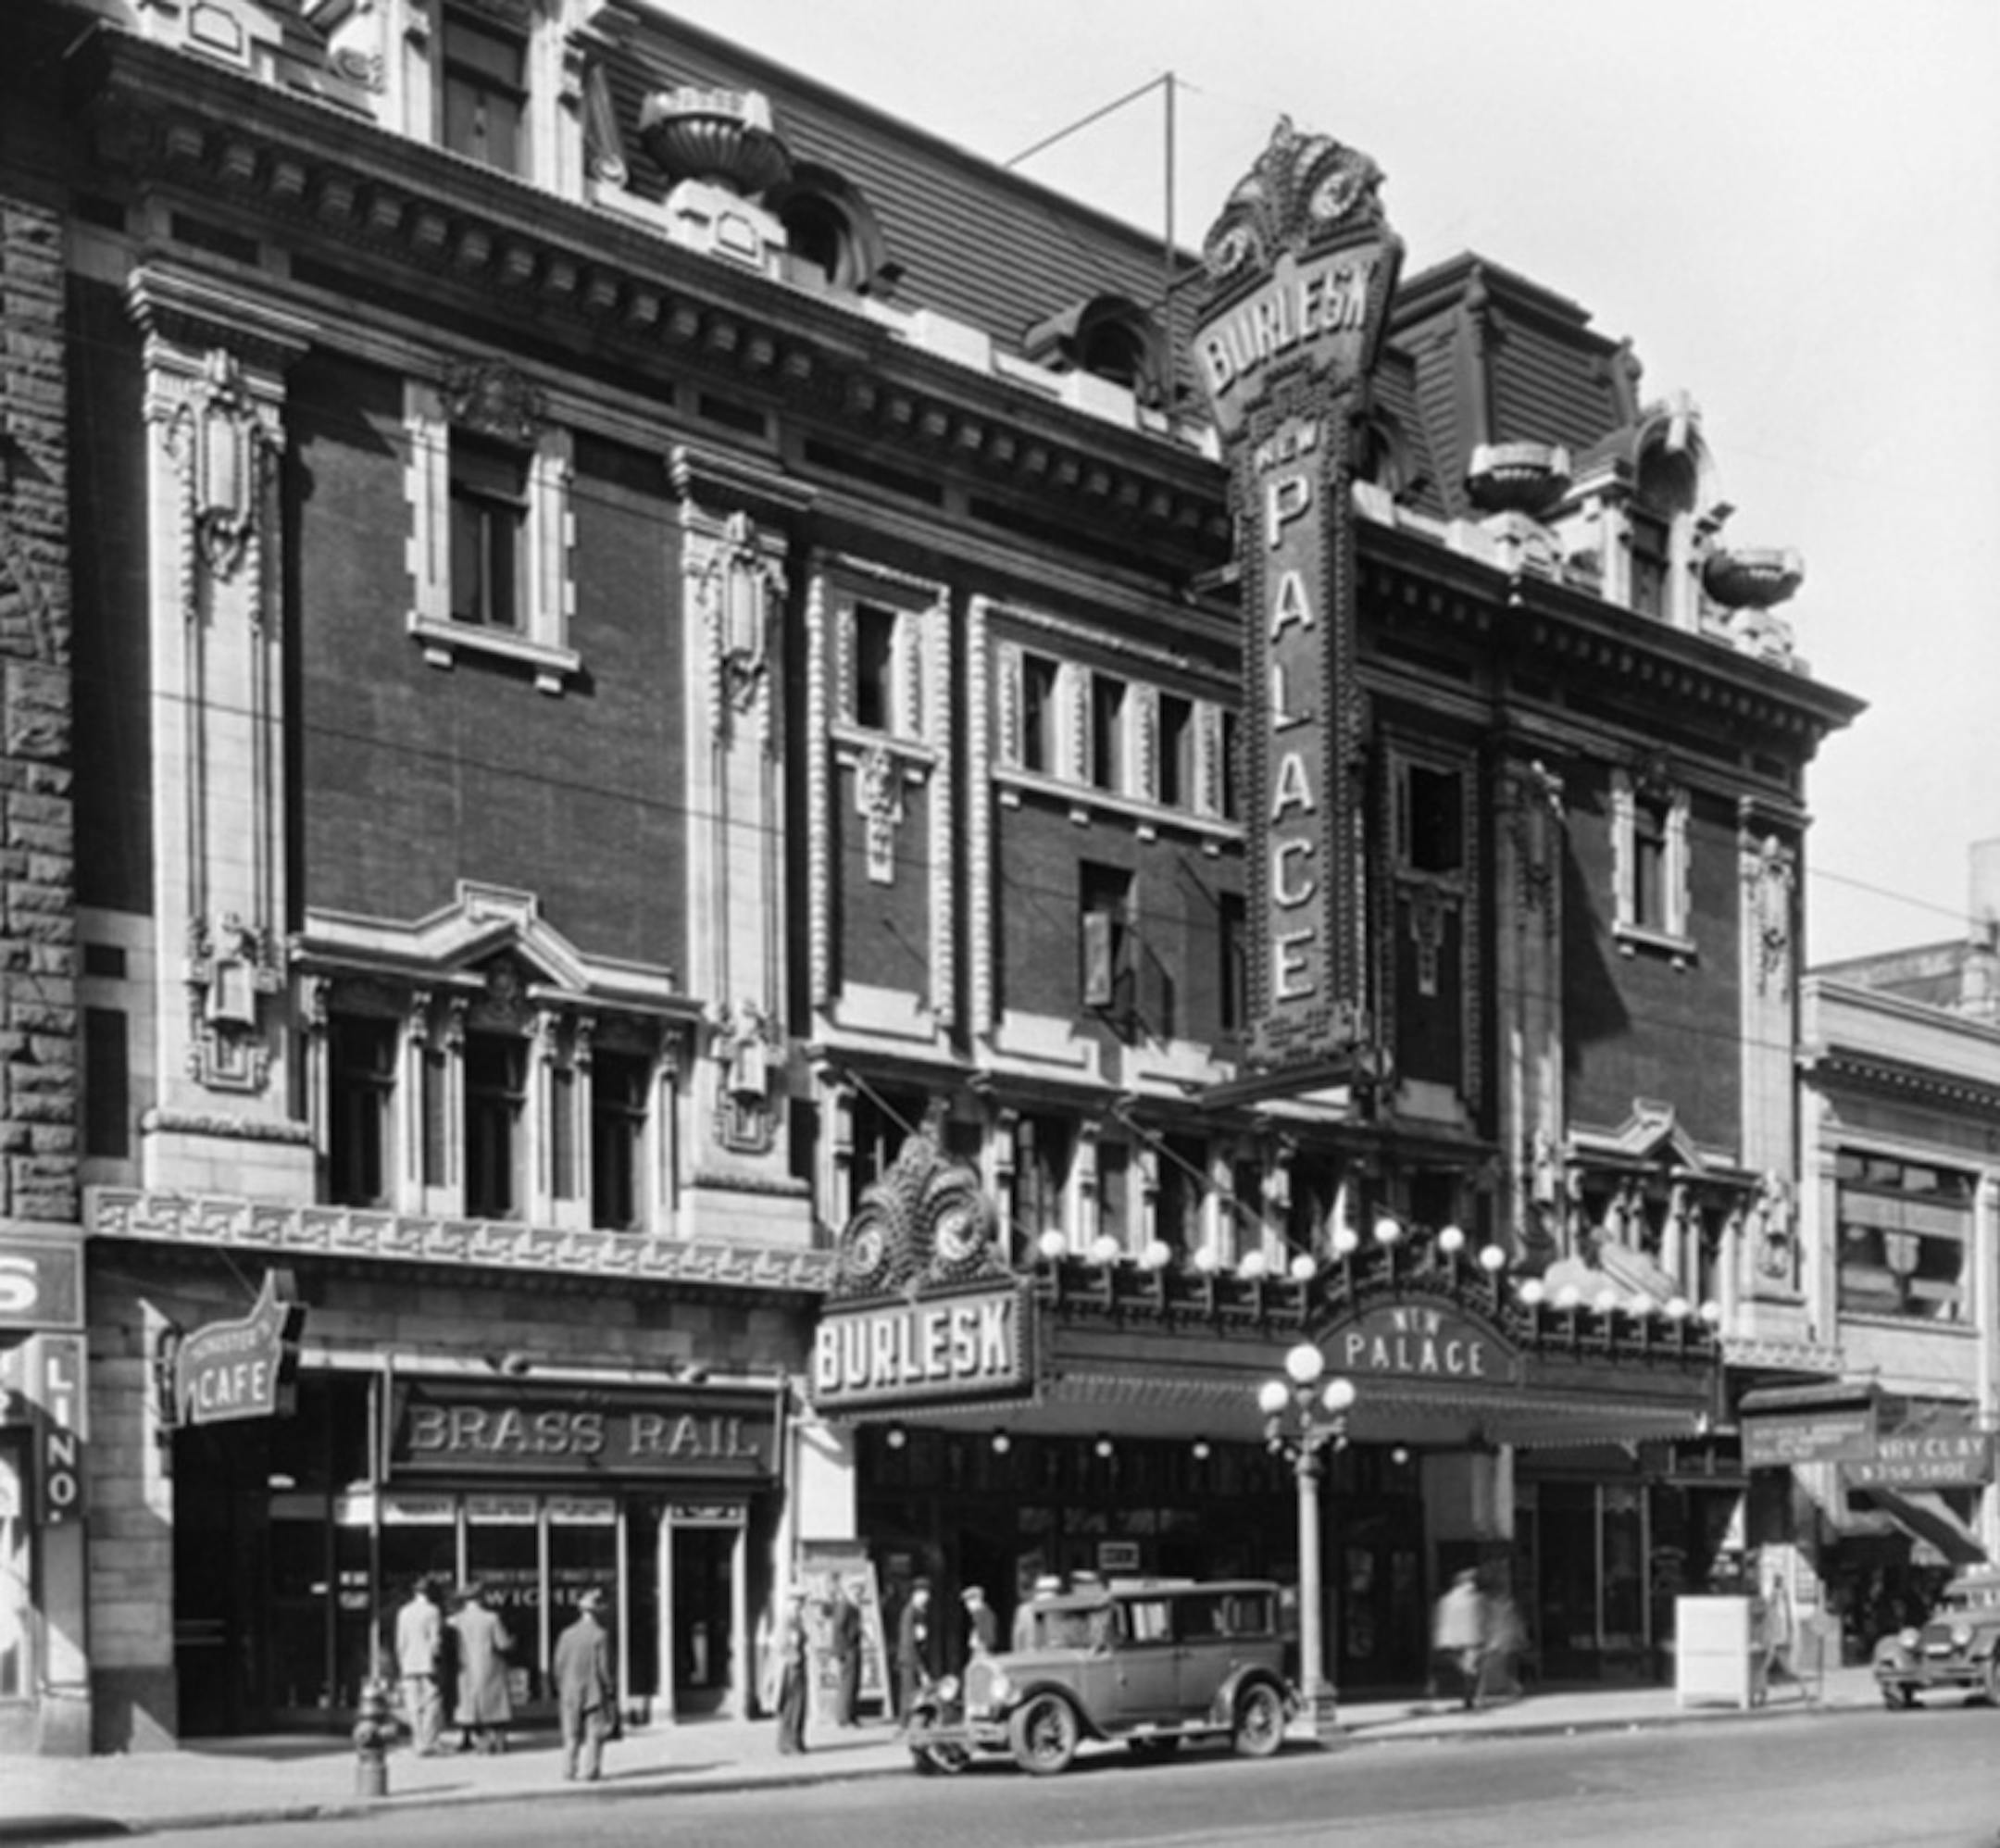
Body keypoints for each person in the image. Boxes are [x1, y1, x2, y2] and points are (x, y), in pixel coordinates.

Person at [552, 1588, 618, 1782]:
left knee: (571, 1734)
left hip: (570, 1690)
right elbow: (604, 1667)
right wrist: (610, 1687)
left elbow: (558, 1664)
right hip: (593, 1690)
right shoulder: (600, 1635)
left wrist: (561, 1685)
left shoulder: (567, 1634)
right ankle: (591, 1770)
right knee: (594, 1733)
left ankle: (568, 1769)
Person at [449, 1581, 514, 1754]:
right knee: (493, 1704)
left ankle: (467, 1738)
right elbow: (502, 1643)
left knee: (467, 1704)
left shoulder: (454, 1620)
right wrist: (512, 1642)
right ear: (481, 1598)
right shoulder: (491, 1618)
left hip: (464, 1668)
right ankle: (496, 1740)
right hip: (489, 1666)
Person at [394, 1576, 445, 1756]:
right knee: (432, 1701)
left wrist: (401, 1663)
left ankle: (418, 1740)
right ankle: (429, 1739)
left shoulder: (404, 1612)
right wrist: (437, 1659)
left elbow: (400, 1642)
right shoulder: (433, 1611)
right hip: (427, 1663)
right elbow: (435, 1640)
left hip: (409, 1663)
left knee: (413, 1704)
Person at [1433, 1568, 1488, 1711]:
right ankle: (1471, 1697)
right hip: (1472, 1637)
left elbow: (1443, 1620)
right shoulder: (1477, 1598)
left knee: (1466, 1668)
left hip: (1451, 1639)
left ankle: (1469, 1693)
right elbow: (1482, 1618)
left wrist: (1441, 1638)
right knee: (1474, 1669)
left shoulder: (1446, 1599)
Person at [774, 1589, 810, 1754]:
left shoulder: (796, 1619)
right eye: (798, 1602)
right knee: (792, 1705)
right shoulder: (787, 1620)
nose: (800, 1606)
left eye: (801, 1602)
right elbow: (781, 1643)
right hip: (791, 1667)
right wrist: (793, 1658)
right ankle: (789, 1742)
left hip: (798, 1664)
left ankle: (796, 1740)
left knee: (799, 1705)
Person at [894, 1579, 933, 1727]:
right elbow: (908, 1640)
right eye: (924, 1594)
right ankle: (905, 1723)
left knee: (915, 1692)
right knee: (909, 1693)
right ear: (916, 1594)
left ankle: (911, 1722)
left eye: (927, 1594)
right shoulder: (910, 1612)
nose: (927, 1598)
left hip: (917, 1656)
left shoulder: (920, 1611)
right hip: (910, 1658)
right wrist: (920, 1668)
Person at [829, 1579, 863, 1727]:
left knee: (854, 1683)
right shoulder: (844, 1606)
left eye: (860, 1591)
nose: (858, 1594)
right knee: (847, 1684)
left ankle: (852, 1715)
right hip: (847, 1649)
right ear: (849, 1591)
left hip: (854, 1647)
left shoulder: (854, 1606)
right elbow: (838, 1628)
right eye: (856, 1590)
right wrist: (841, 1652)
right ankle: (844, 1717)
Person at [1012, 1573, 1062, 1651]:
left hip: (1047, 1653)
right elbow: (1018, 1637)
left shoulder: (1059, 1609)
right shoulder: (1024, 1610)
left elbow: (1018, 1637)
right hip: (1033, 1653)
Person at [958, 1585, 996, 1670]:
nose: (967, 1606)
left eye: (969, 1602)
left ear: (977, 1600)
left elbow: (988, 1636)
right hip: (979, 1650)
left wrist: (979, 1644)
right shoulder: (977, 1614)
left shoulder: (984, 1614)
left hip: (982, 1650)